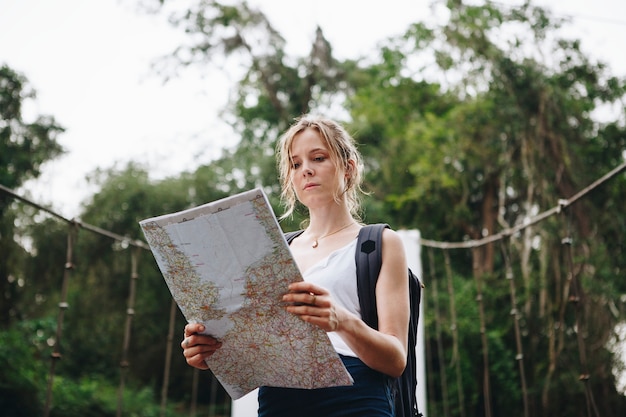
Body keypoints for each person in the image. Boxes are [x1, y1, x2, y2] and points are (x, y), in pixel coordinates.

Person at [181, 115, 410, 417]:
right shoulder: (274, 251)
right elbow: (256, 343)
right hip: (279, 402)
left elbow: (396, 359)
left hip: (357, 400)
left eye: (318, 158)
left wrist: (341, 320)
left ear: (348, 168)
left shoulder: (379, 243)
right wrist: (210, 350)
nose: (307, 171)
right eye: (296, 164)